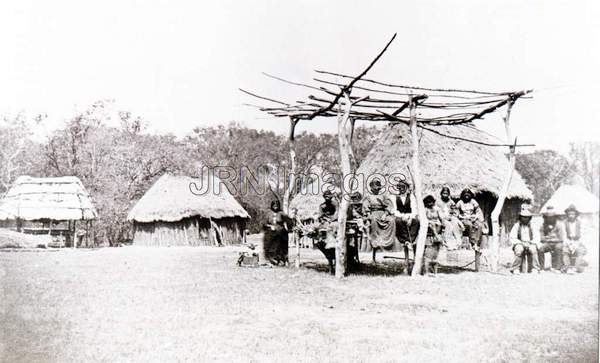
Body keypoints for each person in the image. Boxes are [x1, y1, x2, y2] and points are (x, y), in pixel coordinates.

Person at [363, 179, 396, 262]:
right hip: (373, 213)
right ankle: (376, 241)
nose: (376, 189)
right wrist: (367, 214)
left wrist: (385, 214)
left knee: (391, 221)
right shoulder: (368, 196)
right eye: (375, 188)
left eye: (378, 188)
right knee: (374, 220)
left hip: (383, 213)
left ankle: (386, 241)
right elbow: (365, 206)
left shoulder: (383, 195)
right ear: (371, 188)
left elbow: (389, 205)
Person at [509, 207, 541, 274]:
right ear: (520, 217)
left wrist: (531, 243)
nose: (525, 219)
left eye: (527, 217)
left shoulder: (533, 225)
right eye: (523, 217)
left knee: (533, 249)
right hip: (520, 243)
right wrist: (519, 243)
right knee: (519, 249)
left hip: (530, 243)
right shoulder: (517, 225)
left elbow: (537, 237)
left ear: (529, 218)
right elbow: (512, 237)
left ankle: (535, 268)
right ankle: (515, 268)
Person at [262, 199, 290, 266]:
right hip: (270, 232)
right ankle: (271, 259)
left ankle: (281, 259)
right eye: (274, 205)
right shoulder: (268, 214)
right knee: (269, 243)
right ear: (272, 206)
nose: (275, 207)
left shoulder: (282, 213)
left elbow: (289, 221)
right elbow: (264, 223)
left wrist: (286, 228)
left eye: (277, 205)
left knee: (280, 244)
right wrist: (270, 226)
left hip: (280, 232)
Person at [538, 206, 564, 272]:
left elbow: (561, 238)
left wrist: (550, 239)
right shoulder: (543, 226)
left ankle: (558, 268)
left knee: (558, 247)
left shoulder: (558, 225)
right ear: (546, 218)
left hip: (557, 243)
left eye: (552, 217)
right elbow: (542, 238)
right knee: (541, 249)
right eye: (548, 217)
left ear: (555, 217)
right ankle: (541, 268)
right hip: (548, 243)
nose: (550, 219)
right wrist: (551, 238)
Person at [422, 195, 444, 275]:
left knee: (436, 254)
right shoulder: (425, 210)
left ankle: (441, 239)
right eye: (428, 203)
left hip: (437, 224)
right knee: (428, 254)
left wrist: (443, 224)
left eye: (431, 202)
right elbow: (424, 218)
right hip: (429, 225)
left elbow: (441, 218)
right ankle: (426, 271)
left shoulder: (437, 209)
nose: (430, 204)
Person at [562, 204, 587, 273]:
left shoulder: (580, 223)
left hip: (578, 242)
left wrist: (576, 245)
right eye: (569, 214)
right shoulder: (564, 223)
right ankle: (567, 267)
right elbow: (564, 235)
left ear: (576, 215)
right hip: (568, 242)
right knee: (565, 250)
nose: (571, 216)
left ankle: (575, 268)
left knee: (580, 251)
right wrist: (569, 244)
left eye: (573, 214)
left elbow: (583, 235)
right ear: (567, 214)